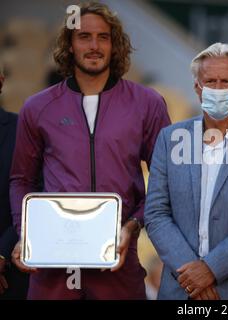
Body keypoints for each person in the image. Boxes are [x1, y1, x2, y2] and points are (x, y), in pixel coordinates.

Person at [9, 2, 170, 299]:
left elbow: (166, 181)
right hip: (52, 265)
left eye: (103, 37)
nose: (94, 46)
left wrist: (132, 226)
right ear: (69, 45)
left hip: (118, 260)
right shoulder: (37, 107)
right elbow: (21, 180)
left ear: (114, 45)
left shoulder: (147, 104)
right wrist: (26, 232)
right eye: (84, 37)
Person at [144, 42, 228, 300]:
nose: (218, 88)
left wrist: (211, 269)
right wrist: (192, 274)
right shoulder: (170, 138)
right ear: (197, 87)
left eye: (226, 81)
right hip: (181, 288)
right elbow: (156, 213)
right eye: (210, 81)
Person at [0, 63, 29, 299]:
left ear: (1, 81)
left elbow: (33, 194)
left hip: (11, 270)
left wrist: (1, 254)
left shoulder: (22, 129)